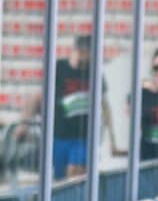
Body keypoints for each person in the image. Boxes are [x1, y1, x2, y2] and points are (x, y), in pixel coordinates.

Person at [15, 34, 120, 178]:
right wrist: (24, 124)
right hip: (58, 136)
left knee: (74, 174)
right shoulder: (58, 68)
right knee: (60, 181)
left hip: (83, 137)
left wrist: (112, 141)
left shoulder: (94, 72)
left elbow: (105, 106)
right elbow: (37, 97)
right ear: (81, 51)